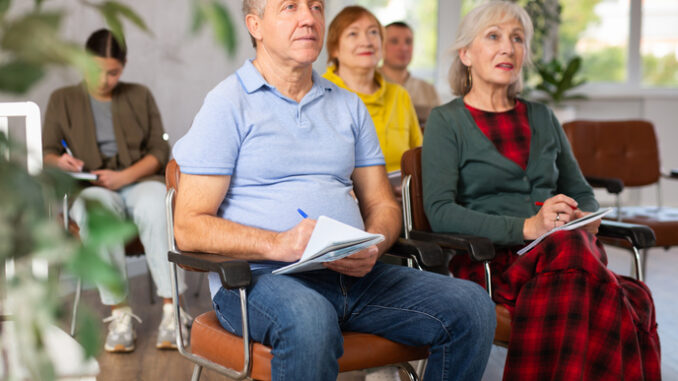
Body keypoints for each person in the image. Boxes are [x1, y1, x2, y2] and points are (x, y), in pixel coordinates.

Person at [172, 1, 495, 380]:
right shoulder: (227, 104)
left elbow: (382, 204)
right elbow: (188, 226)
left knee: (472, 306)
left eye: (316, 7)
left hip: (355, 278)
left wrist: (374, 245)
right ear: (255, 25)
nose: (308, 18)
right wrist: (279, 244)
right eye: (289, 7)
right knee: (310, 318)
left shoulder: (348, 106)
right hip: (256, 282)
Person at [421, 2, 661, 380]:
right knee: (626, 296)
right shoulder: (446, 121)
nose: (508, 48)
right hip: (493, 261)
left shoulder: (543, 117)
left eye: (518, 39)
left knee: (577, 255)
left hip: (566, 257)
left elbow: (581, 192)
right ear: (466, 54)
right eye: (494, 36)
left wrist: (584, 216)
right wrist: (528, 228)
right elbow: (440, 211)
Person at [42, 29, 189, 353]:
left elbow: (158, 151)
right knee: (98, 213)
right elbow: (48, 152)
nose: (104, 79)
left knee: (156, 206)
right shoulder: (62, 100)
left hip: (137, 182)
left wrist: (124, 177)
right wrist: (61, 162)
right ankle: (119, 313)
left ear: (124, 66)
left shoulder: (139, 95)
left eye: (113, 72)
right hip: (91, 188)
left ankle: (173, 311)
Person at [323, 6, 422, 182]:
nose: (367, 41)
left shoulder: (399, 95)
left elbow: (420, 159)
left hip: (402, 201)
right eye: (353, 34)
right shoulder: (319, 93)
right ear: (335, 49)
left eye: (373, 32)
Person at [381, 21, 440, 128]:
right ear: (380, 46)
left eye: (408, 42)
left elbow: (441, 129)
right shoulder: (368, 83)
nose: (403, 48)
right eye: (394, 41)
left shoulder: (428, 90)